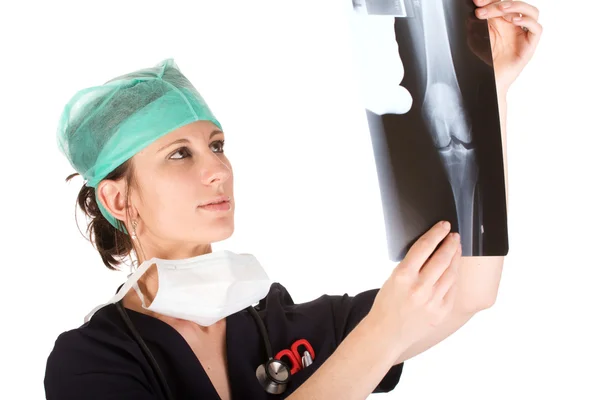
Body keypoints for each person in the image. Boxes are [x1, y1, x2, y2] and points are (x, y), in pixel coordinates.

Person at [43, 1, 542, 399]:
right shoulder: (92, 359)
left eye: (217, 146)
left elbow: (467, 292)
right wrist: (378, 336)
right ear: (116, 196)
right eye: (179, 155)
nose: (217, 169)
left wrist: (484, 92)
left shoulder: (279, 322)